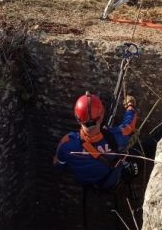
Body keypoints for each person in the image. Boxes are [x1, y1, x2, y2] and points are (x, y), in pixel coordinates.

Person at [54, 91, 138, 228]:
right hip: (110, 183)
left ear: (77, 118)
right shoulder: (116, 138)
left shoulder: (67, 144)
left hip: (85, 183)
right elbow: (129, 125)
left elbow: (58, 165)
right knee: (139, 151)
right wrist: (130, 106)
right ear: (101, 117)